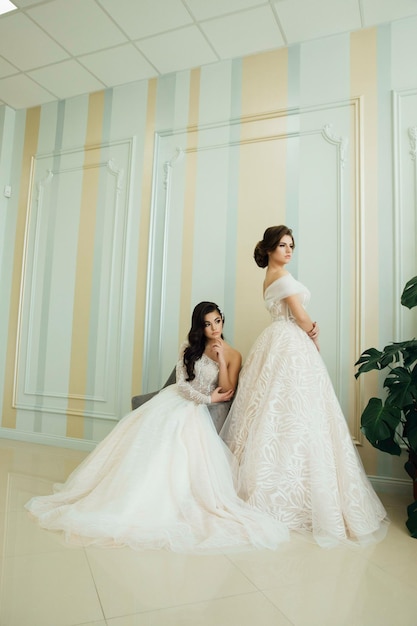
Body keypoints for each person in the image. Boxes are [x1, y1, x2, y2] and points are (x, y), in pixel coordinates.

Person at [25, 301, 289, 553]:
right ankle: (125, 492)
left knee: (176, 428)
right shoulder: (190, 346)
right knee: (148, 427)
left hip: (195, 409)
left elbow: (228, 389)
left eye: (217, 321)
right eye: (208, 324)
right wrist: (207, 398)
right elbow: (184, 384)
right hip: (178, 398)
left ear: (223, 320)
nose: (214, 328)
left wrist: (220, 360)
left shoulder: (233, 354)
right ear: (200, 327)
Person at [220, 226, 389, 547]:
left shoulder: (269, 278)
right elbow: (299, 315)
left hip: (274, 341)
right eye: (282, 245)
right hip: (290, 344)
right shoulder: (282, 277)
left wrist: (307, 327)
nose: (288, 251)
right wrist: (313, 330)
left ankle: (267, 484)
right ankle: (290, 494)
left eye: (291, 246)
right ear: (269, 248)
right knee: (297, 412)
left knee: (274, 413)